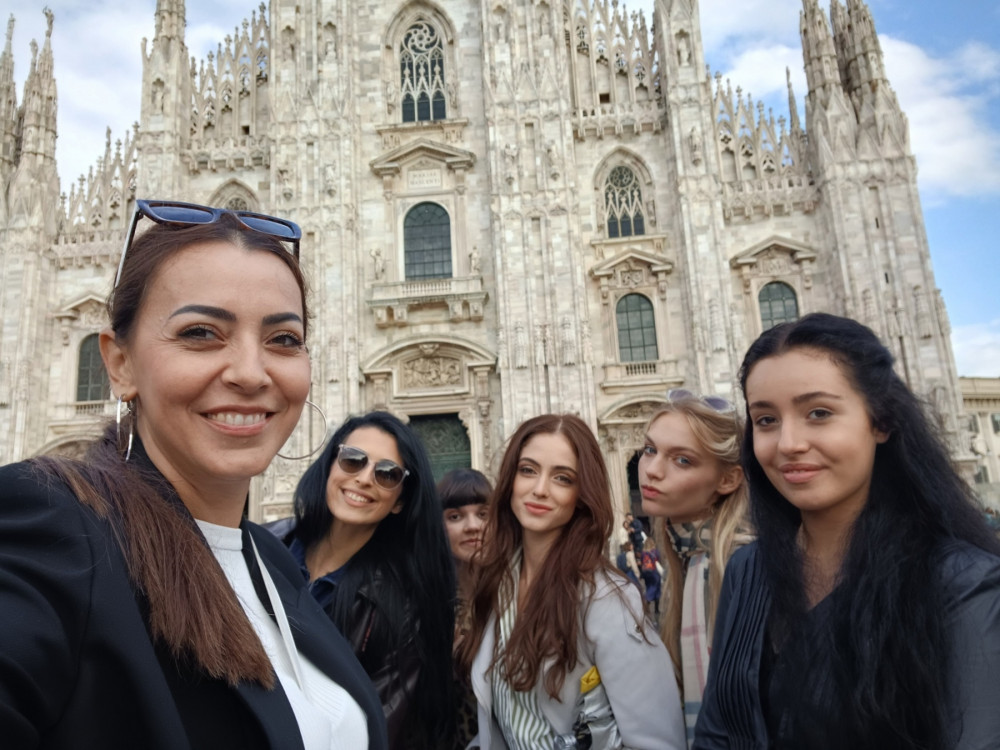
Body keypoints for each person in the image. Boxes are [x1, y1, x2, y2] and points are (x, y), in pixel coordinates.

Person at [0, 199, 388, 748]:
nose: (251, 374)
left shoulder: (272, 558)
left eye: (283, 339)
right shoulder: (55, 530)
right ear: (120, 364)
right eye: (201, 333)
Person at [694, 313, 1000, 750]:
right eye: (766, 420)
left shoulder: (963, 584)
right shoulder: (748, 570)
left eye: (819, 413)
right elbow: (716, 732)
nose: (788, 443)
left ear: (881, 421)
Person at [456, 414, 686, 749]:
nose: (539, 489)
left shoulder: (606, 600)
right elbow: (506, 720)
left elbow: (657, 741)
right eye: (528, 470)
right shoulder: (499, 583)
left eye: (562, 478)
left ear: (581, 495)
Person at [279, 411, 456, 749]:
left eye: (387, 474)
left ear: (399, 501)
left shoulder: (403, 608)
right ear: (330, 465)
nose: (363, 478)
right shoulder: (265, 546)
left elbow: (374, 727)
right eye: (352, 460)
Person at [637, 389, 748, 744]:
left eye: (682, 460)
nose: (652, 470)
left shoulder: (738, 568)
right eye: (649, 450)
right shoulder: (685, 558)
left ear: (728, 480)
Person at [439, 468, 493, 750]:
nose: (473, 526)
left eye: (483, 514)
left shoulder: (522, 593)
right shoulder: (428, 605)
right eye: (455, 517)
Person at [639, 536, 663, 616]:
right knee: (656, 589)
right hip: (653, 572)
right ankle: (654, 608)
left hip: (646, 573)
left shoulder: (643, 553)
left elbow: (642, 561)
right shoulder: (655, 552)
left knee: (649, 587)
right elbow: (658, 559)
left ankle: (648, 608)